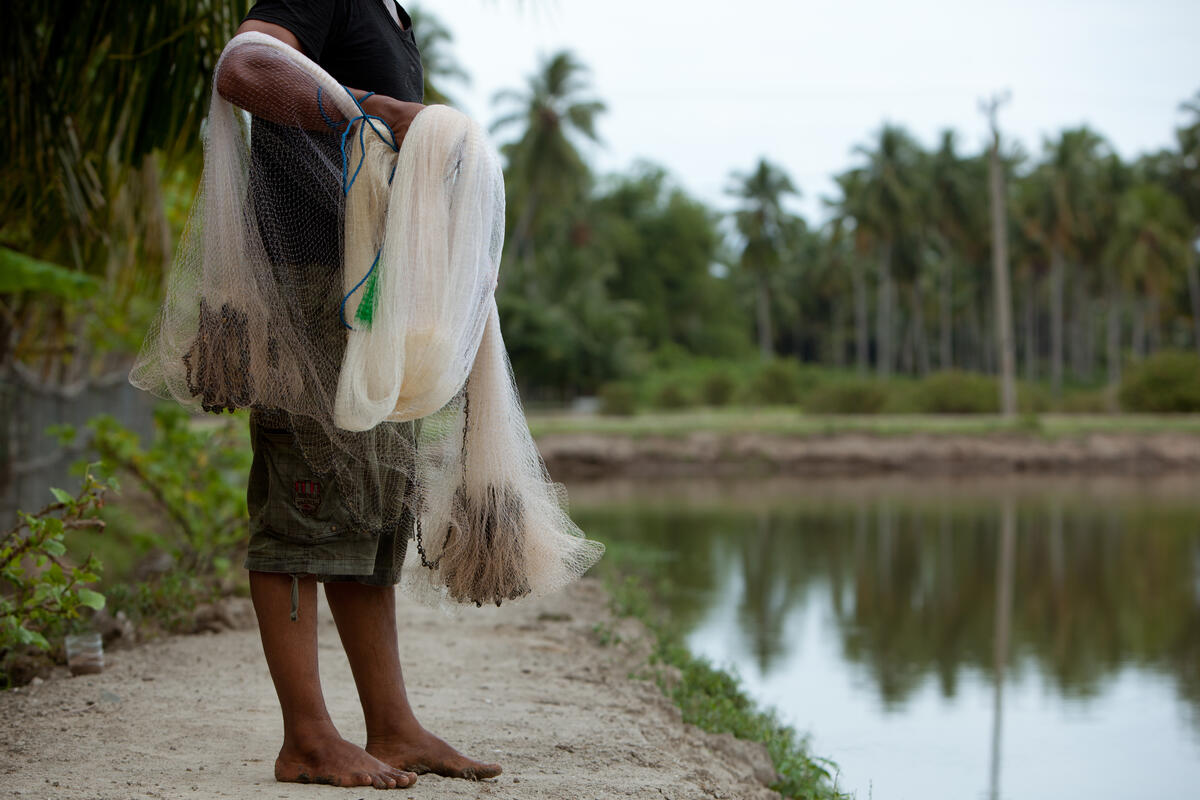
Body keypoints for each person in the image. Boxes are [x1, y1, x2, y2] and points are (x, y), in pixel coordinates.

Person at [215, 0, 502, 789]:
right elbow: (243, 67)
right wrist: (381, 109)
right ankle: (306, 738)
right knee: (304, 507)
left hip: (370, 295)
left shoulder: (390, 12)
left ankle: (394, 726)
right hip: (316, 294)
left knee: (371, 508)